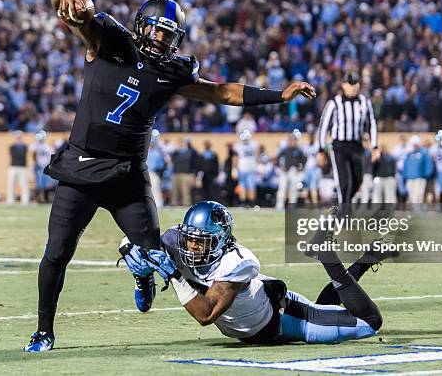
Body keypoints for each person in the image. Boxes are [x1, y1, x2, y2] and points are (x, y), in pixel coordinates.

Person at [24, 0, 315, 352]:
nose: (161, 40)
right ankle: (44, 330)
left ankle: (142, 275)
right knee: (57, 252)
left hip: (127, 175)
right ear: (141, 26)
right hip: (81, 167)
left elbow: (221, 92)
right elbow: (74, 9)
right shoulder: (110, 40)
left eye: (169, 34)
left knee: (153, 250)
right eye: (157, 31)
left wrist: (279, 95)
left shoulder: (174, 71)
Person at [121, 201, 389, 345]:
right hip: (266, 308)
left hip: (283, 321)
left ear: (221, 239)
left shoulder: (238, 262)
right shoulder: (173, 242)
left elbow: (206, 314)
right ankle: (365, 259)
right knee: (324, 309)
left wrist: (174, 277)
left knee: (369, 323)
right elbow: (132, 248)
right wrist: (139, 267)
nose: (192, 245)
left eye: (201, 241)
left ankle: (328, 254)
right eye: (190, 238)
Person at [317, 71, 379, 205]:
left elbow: (372, 123)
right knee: (344, 182)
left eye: (356, 83)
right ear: (343, 85)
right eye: (350, 84)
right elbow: (323, 127)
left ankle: (340, 209)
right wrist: (321, 150)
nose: (354, 87)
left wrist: (375, 146)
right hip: (339, 146)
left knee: (358, 180)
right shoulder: (334, 103)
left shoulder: (364, 102)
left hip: (357, 146)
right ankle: (344, 214)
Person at [275, 132, 307, 209]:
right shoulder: (285, 149)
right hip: (285, 172)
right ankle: (280, 205)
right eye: (291, 140)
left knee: (293, 189)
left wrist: (300, 167)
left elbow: (304, 160)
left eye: (293, 140)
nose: (292, 141)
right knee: (282, 188)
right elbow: (277, 159)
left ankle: (292, 205)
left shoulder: (298, 150)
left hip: (294, 172)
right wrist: (281, 167)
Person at [403, 135, 434, 205]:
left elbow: (428, 164)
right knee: (410, 195)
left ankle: (417, 210)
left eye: (415, 144)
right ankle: (412, 210)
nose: (414, 146)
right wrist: (405, 175)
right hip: (410, 177)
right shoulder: (409, 154)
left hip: (420, 177)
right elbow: (405, 165)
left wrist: (426, 174)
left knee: (418, 195)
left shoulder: (424, 153)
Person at [170, 138, 199, 206]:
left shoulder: (192, 152)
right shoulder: (176, 152)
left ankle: (186, 203)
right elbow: (172, 160)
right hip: (176, 173)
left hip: (186, 174)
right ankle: (174, 203)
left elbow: (195, 163)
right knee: (175, 191)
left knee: (185, 191)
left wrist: (194, 174)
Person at [233, 130, 258, 206]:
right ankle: (247, 203)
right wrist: (234, 168)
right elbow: (235, 158)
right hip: (244, 168)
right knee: (244, 187)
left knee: (249, 187)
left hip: (248, 168)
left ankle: (249, 203)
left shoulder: (253, 144)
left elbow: (235, 158)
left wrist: (234, 168)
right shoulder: (254, 144)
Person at [30, 130, 54, 203]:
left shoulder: (47, 147)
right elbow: (33, 153)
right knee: (39, 183)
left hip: (45, 166)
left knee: (45, 184)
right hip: (38, 166)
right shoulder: (35, 145)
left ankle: (45, 198)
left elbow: (50, 156)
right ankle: (39, 199)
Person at [7, 130, 29, 205]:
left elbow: (22, 154)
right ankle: (10, 200)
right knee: (11, 184)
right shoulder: (12, 146)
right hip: (13, 166)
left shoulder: (25, 146)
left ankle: (25, 200)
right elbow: (13, 154)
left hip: (23, 167)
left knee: (24, 184)